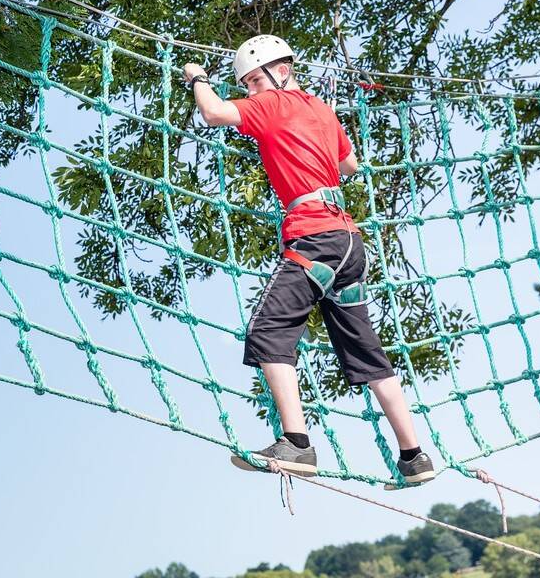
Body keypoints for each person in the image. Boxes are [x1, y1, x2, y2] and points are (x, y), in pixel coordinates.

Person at [183, 34, 434, 487]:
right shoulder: (321, 108)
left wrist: (197, 77)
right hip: (349, 243)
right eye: (248, 83)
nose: (252, 89)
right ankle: (414, 457)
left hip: (314, 237)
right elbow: (350, 165)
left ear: (281, 71)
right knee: (368, 354)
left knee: (268, 330)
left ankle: (296, 443)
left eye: (255, 80)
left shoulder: (271, 103)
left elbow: (214, 112)